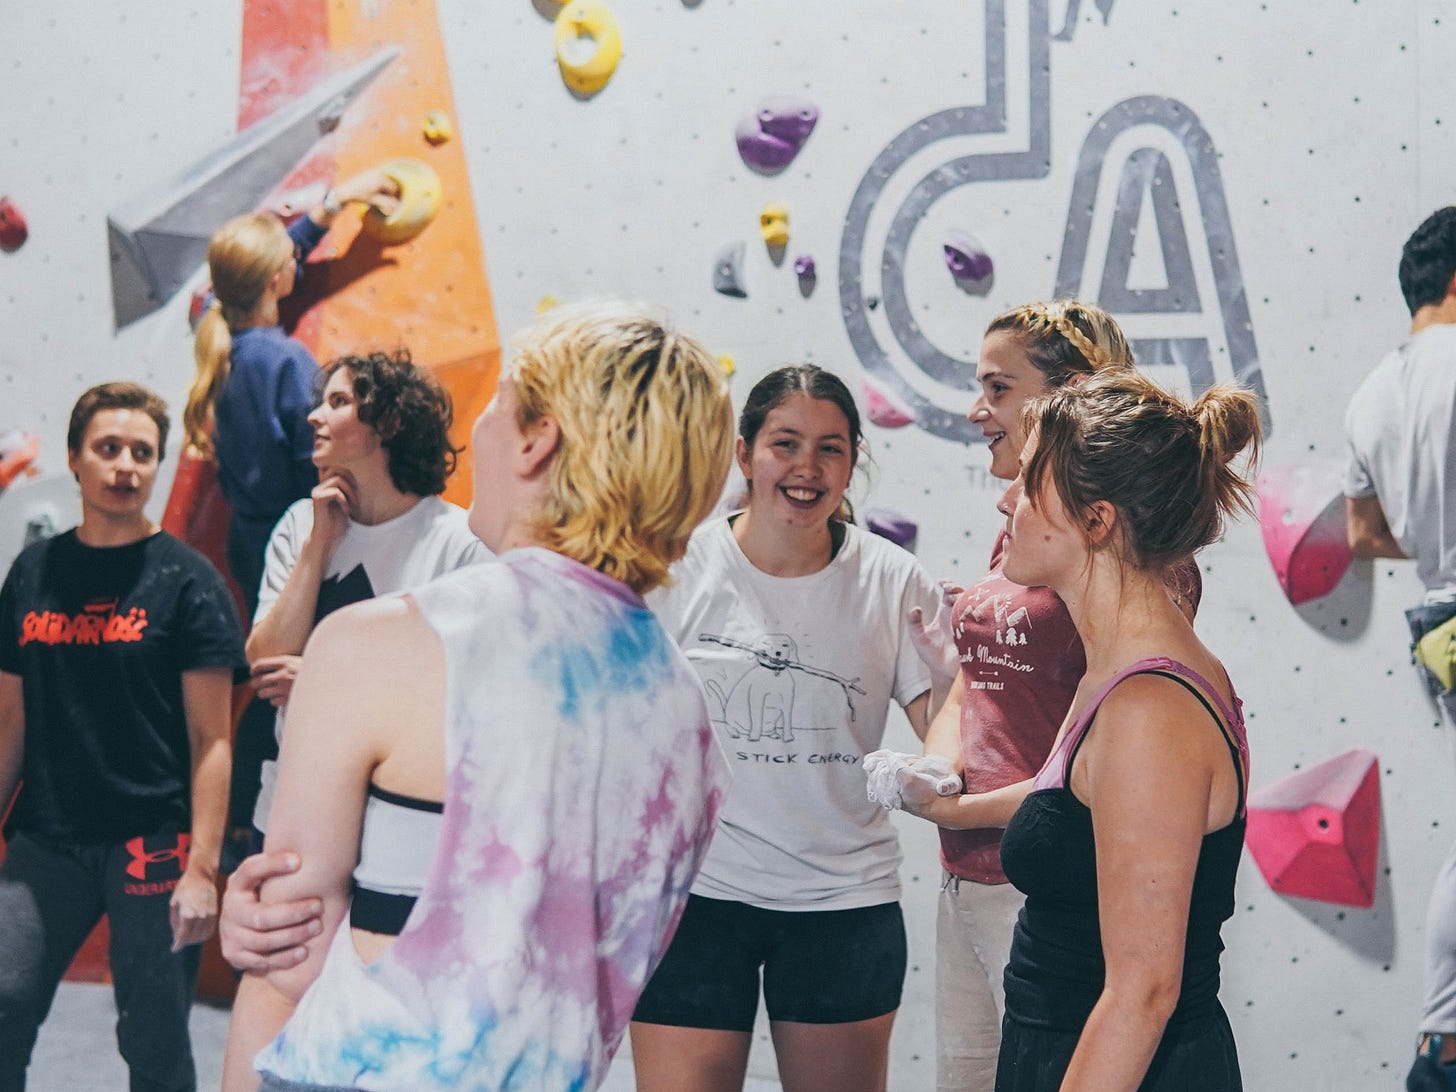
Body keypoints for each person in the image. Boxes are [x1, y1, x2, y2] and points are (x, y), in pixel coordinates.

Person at [219, 300, 736, 1091]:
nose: (480, 433)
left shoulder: (379, 645)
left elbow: (284, 965)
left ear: (537, 440)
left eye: (496, 405)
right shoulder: (687, 715)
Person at [868, 301, 1203, 1091]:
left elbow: (1096, 766)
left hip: (1046, 886)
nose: (976, 410)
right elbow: (971, 687)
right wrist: (933, 770)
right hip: (967, 880)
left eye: (998, 387)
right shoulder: (1021, 531)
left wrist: (955, 809)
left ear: (1068, 397)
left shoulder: (1138, 566)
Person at [628, 365, 944, 1092]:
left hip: (844, 901)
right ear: (744, 454)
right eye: (785, 444)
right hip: (694, 898)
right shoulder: (673, 570)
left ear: (853, 463)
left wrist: (958, 688)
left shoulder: (894, 581)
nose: (807, 467)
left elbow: (947, 738)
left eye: (831, 449)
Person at [966, 368, 1258, 1090]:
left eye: (1029, 482)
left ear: (1097, 521)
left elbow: (1143, 994)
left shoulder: (1148, 710)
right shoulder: (1115, 669)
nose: (1006, 499)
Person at [0, 382, 246, 1090]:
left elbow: (212, 740)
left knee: (153, 1036)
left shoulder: (188, 583)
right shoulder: (33, 572)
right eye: (108, 448)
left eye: (142, 453)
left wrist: (202, 870)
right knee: (3, 1004)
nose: (126, 466)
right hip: (47, 839)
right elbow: (11, 720)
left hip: (152, 842)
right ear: (75, 460)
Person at [245, 349, 490, 838]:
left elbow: (470, 694)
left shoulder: (460, 542)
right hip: (290, 805)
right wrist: (319, 545)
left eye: (338, 402)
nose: (314, 416)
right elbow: (266, 660)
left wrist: (325, 683)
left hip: (398, 820)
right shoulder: (300, 523)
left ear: (390, 422)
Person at [1342, 206, 1456, 1092]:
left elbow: (1363, 533)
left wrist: (1436, 537)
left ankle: (1442, 1042)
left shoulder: (1373, 393)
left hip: (1439, 621)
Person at [183, 171, 401, 615]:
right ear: (276, 280)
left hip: (248, 542)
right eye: (289, 261)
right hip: (296, 543)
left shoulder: (213, 324)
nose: (295, 261)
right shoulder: (286, 361)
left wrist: (336, 202)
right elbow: (321, 459)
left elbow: (262, 266)